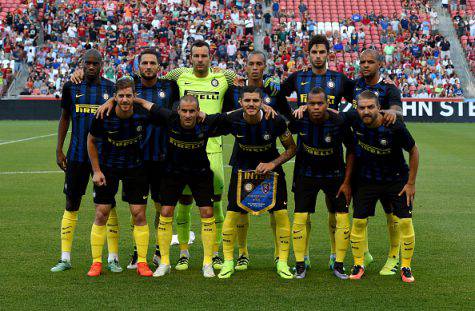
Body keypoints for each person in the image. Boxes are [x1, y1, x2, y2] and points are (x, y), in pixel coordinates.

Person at [96, 48, 180, 270]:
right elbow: (113, 91)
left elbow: (174, 117)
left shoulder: (170, 87)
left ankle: (161, 252)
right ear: (138, 66)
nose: (149, 66)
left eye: (153, 62)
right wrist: (110, 103)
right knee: (138, 209)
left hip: (163, 156)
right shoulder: (130, 86)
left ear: (159, 67)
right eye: (145, 63)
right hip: (138, 159)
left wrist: (142, 104)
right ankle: (137, 251)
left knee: (162, 207)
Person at [132, 95, 230, 278]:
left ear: (198, 111)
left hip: (200, 173)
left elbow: (231, 116)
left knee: (208, 213)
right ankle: (165, 262)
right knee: (166, 212)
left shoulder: (206, 122)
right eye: (184, 111)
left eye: (192, 111)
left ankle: (207, 263)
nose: (187, 115)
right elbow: (148, 104)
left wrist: (263, 106)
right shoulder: (170, 118)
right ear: (178, 111)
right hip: (173, 172)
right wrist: (129, 98)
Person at [279, 35, 354, 270]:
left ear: (328, 54)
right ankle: (305, 256)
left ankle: (335, 255)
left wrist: (339, 116)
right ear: (308, 54)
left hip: (333, 155)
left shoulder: (340, 79)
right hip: (306, 157)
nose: (318, 56)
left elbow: (356, 103)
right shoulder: (298, 77)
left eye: (322, 52)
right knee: (303, 211)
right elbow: (279, 96)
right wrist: (293, 113)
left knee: (335, 210)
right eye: (314, 52)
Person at [161, 40, 236, 270]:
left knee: (214, 203)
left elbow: (236, 84)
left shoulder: (223, 79)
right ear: (190, 57)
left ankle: (214, 253)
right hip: (184, 149)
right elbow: (155, 77)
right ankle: (184, 252)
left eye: (205, 56)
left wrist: (229, 73)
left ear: (211, 57)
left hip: (213, 148)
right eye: (196, 56)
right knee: (184, 201)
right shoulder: (180, 76)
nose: (200, 60)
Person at [217, 86, 297, 279]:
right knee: (233, 213)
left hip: (271, 173)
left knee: (281, 214)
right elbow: (207, 122)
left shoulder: (275, 120)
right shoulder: (233, 118)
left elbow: (292, 148)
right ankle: (230, 260)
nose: (251, 104)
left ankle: (283, 261)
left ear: (262, 102)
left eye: (255, 100)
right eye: (247, 101)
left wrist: (272, 163)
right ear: (241, 102)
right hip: (242, 171)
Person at [51, 49, 118, 273]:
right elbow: (64, 118)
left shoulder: (111, 89)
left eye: (94, 63)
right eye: (87, 63)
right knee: (71, 203)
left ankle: (113, 258)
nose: (90, 67)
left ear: (101, 65)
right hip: (77, 156)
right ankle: (65, 258)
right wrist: (59, 150)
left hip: (104, 158)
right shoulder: (72, 86)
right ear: (82, 64)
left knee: (108, 206)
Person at [223, 50, 289, 271]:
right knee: (239, 208)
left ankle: (280, 256)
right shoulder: (234, 90)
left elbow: (286, 119)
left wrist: (271, 110)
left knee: (276, 209)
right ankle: (242, 253)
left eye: (259, 64)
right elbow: (225, 115)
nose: (254, 67)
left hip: (268, 156)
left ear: (264, 66)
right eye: (251, 63)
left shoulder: (274, 89)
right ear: (245, 65)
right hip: (242, 156)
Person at [343, 91, 419, 283]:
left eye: (370, 107)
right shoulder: (353, 118)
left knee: (404, 222)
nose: (366, 111)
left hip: (395, 180)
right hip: (366, 179)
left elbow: (414, 150)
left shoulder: (394, 126)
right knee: (359, 222)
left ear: (379, 108)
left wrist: (410, 183)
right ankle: (359, 264)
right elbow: (332, 114)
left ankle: (405, 266)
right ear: (356, 109)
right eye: (362, 108)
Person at [86, 77, 154, 277]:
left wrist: (141, 102)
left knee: (139, 214)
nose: (125, 100)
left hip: (136, 167)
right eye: (121, 96)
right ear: (115, 97)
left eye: (129, 96)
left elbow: (163, 113)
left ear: (135, 96)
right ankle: (96, 262)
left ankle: (142, 262)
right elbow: (91, 141)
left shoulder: (143, 114)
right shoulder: (103, 115)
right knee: (101, 213)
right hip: (108, 168)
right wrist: (97, 171)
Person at [288, 87, 354, 279]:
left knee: (341, 217)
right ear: (306, 104)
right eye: (311, 104)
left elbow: (351, 150)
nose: (316, 107)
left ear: (327, 104)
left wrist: (347, 181)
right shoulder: (299, 119)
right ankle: (301, 263)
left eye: (320, 103)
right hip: (305, 174)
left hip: (334, 176)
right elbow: (279, 127)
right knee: (300, 217)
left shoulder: (339, 122)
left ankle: (338, 262)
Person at [353, 49, 404, 276]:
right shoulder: (354, 86)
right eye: (362, 61)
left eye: (370, 62)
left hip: (390, 160)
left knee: (392, 214)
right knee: (360, 213)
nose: (365, 65)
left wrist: (390, 112)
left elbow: (397, 109)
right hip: (364, 159)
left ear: (379, 64)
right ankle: (364, 254)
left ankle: (394, 257)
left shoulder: (389, 88)